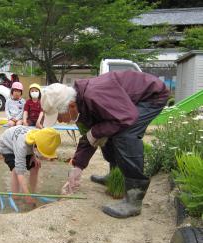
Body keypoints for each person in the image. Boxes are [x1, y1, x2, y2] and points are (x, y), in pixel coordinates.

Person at [40, 70, 170, 219]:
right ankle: (114, 173)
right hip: (127, 106)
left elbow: (126, 118)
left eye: (59, 117)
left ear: (71, 106)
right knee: (103, 130)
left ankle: (134, 199)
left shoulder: (94, 96)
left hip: (150, 96)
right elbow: (90, 137)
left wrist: (95, 132)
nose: (60, 121)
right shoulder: (81, 103)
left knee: (124, 134)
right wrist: (77, 167)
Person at [0, 125, 61, 204]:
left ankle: (33, 193)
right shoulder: (22, 146)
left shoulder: (38, 133)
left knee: (35, 165)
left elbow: (32, 142)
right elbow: (20, 172)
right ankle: (15, 197)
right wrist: (26, 195)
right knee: (15, 170)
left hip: (23, 142)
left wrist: (34, 156)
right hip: (7, 147)